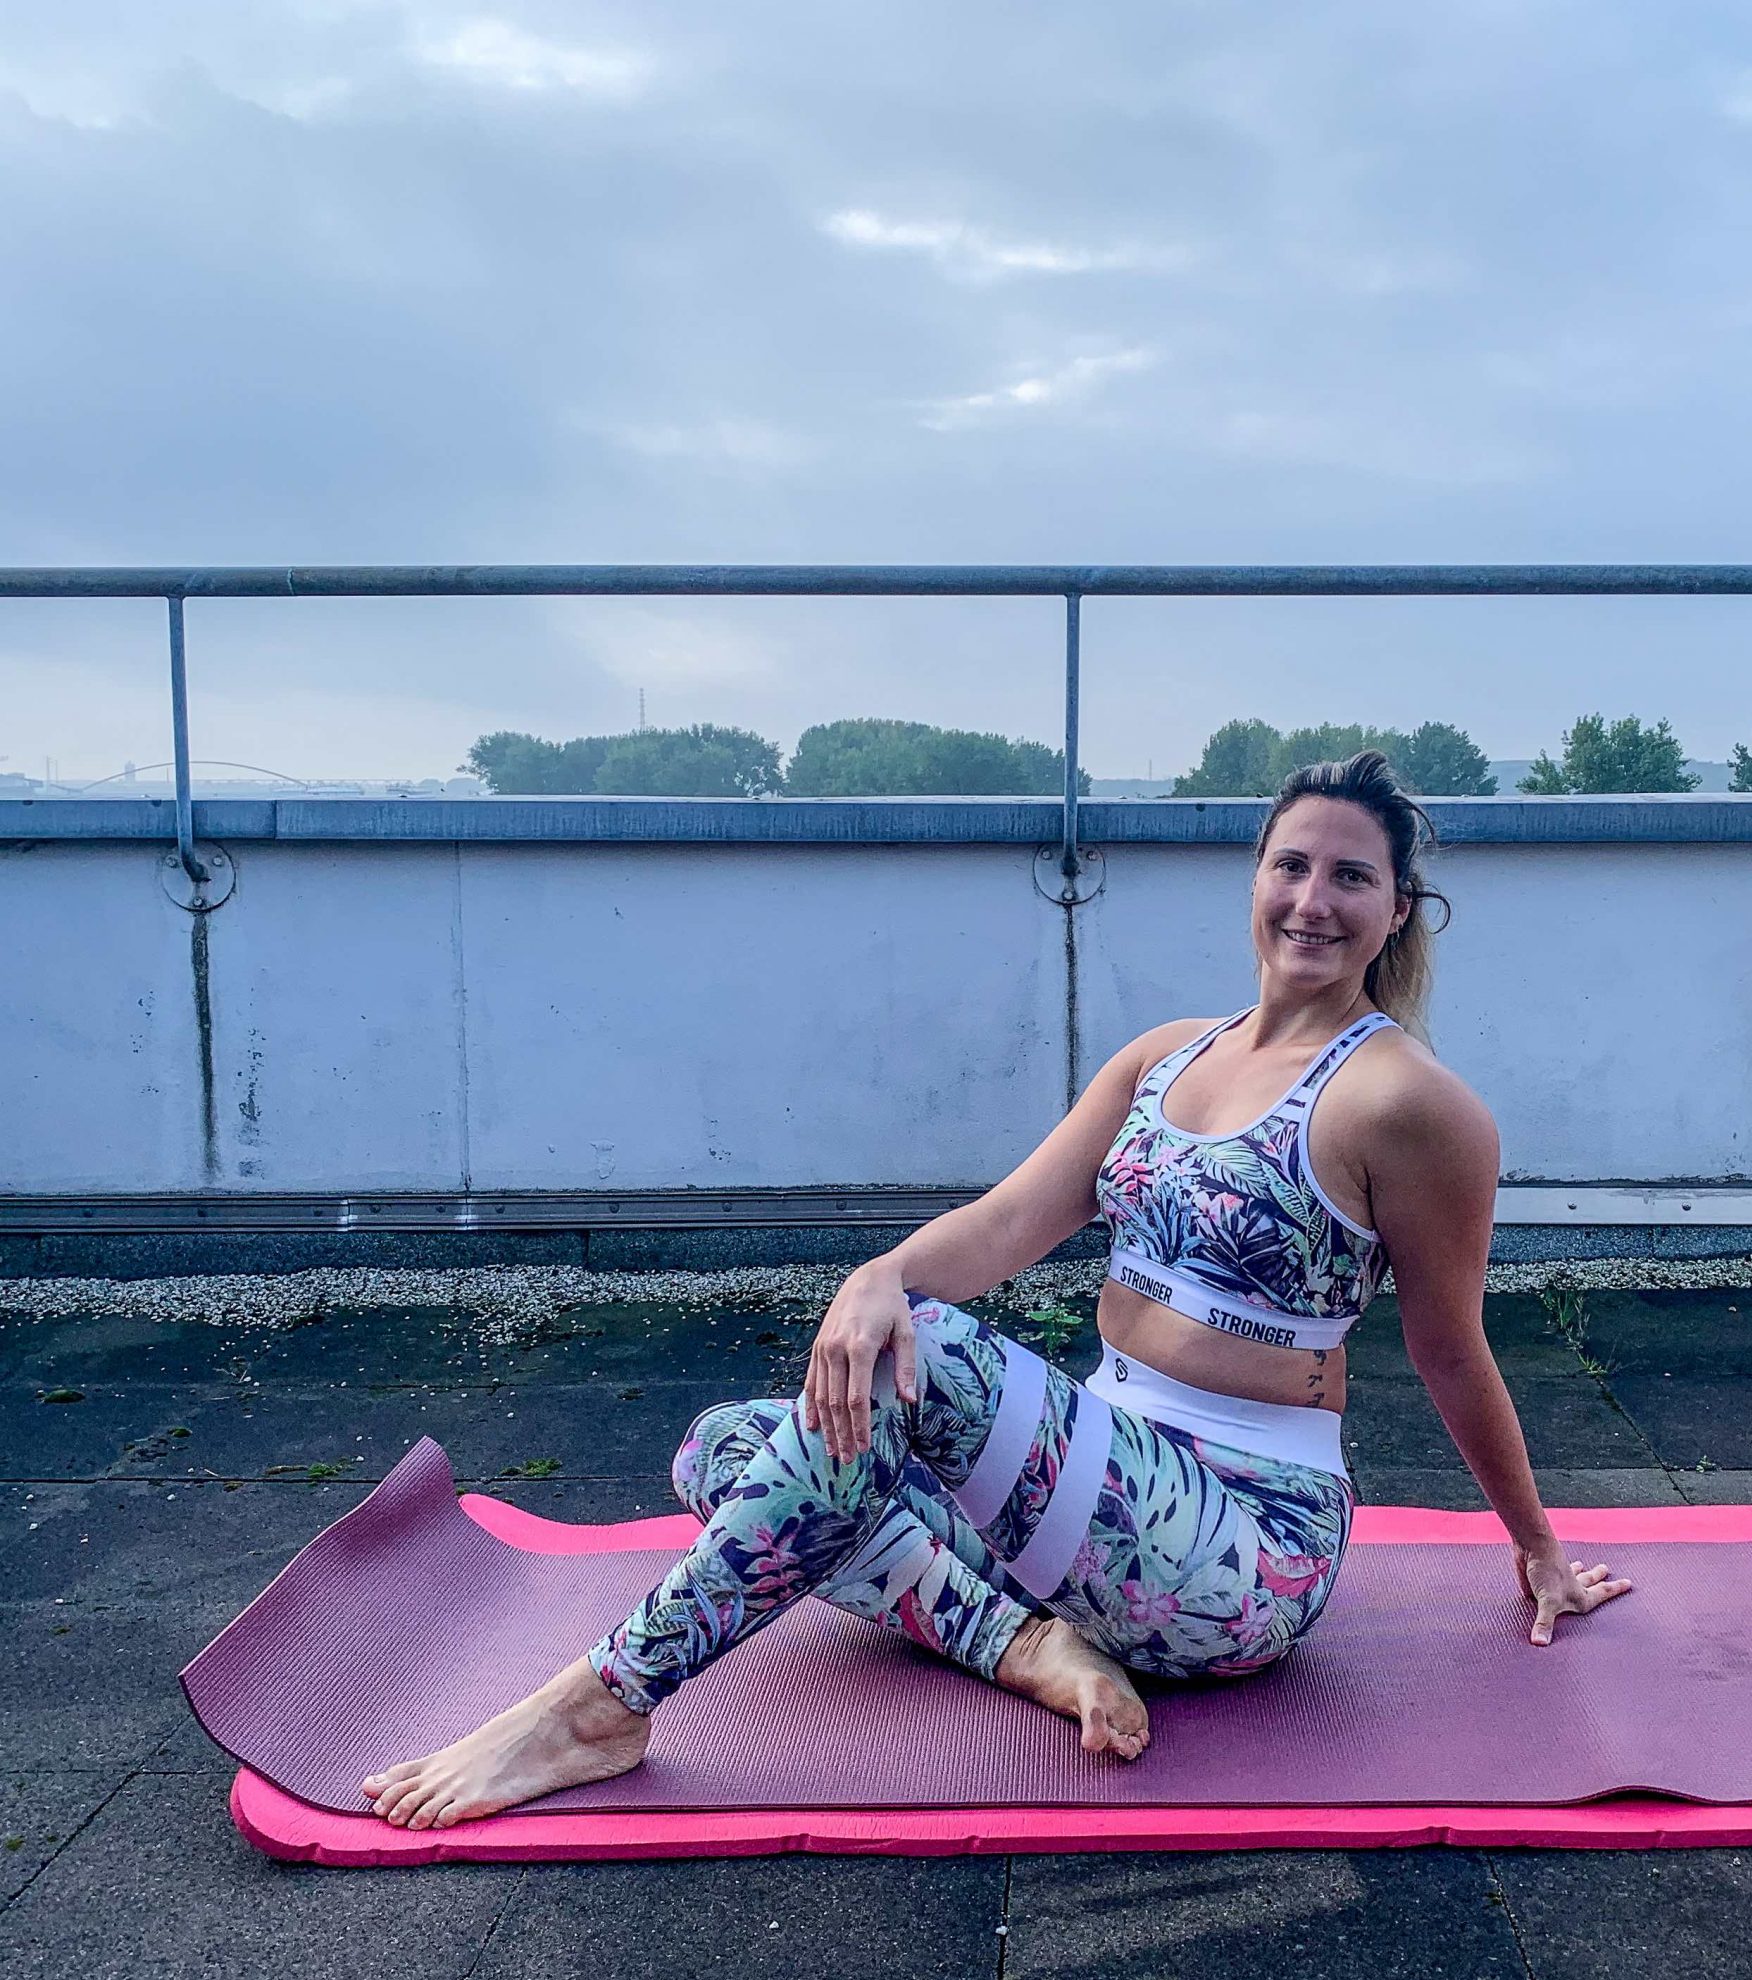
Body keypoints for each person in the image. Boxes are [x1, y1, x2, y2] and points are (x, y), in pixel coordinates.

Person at [362, 750, 1633, 1828]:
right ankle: (1026, 1645)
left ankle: (601, 1703)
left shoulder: (1411, 1103)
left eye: (1351, 876)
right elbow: (1012, 1221)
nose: (1313, 899)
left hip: (1241, 1552)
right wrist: (874, 1275)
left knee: (916, 1362)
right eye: (1290, 865)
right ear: (1254, 878)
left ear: (1399, 909)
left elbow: (1450, 1346)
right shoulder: (1165, 1056)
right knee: (727, 1449)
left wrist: (1537, 1547)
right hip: (1088, 1504)